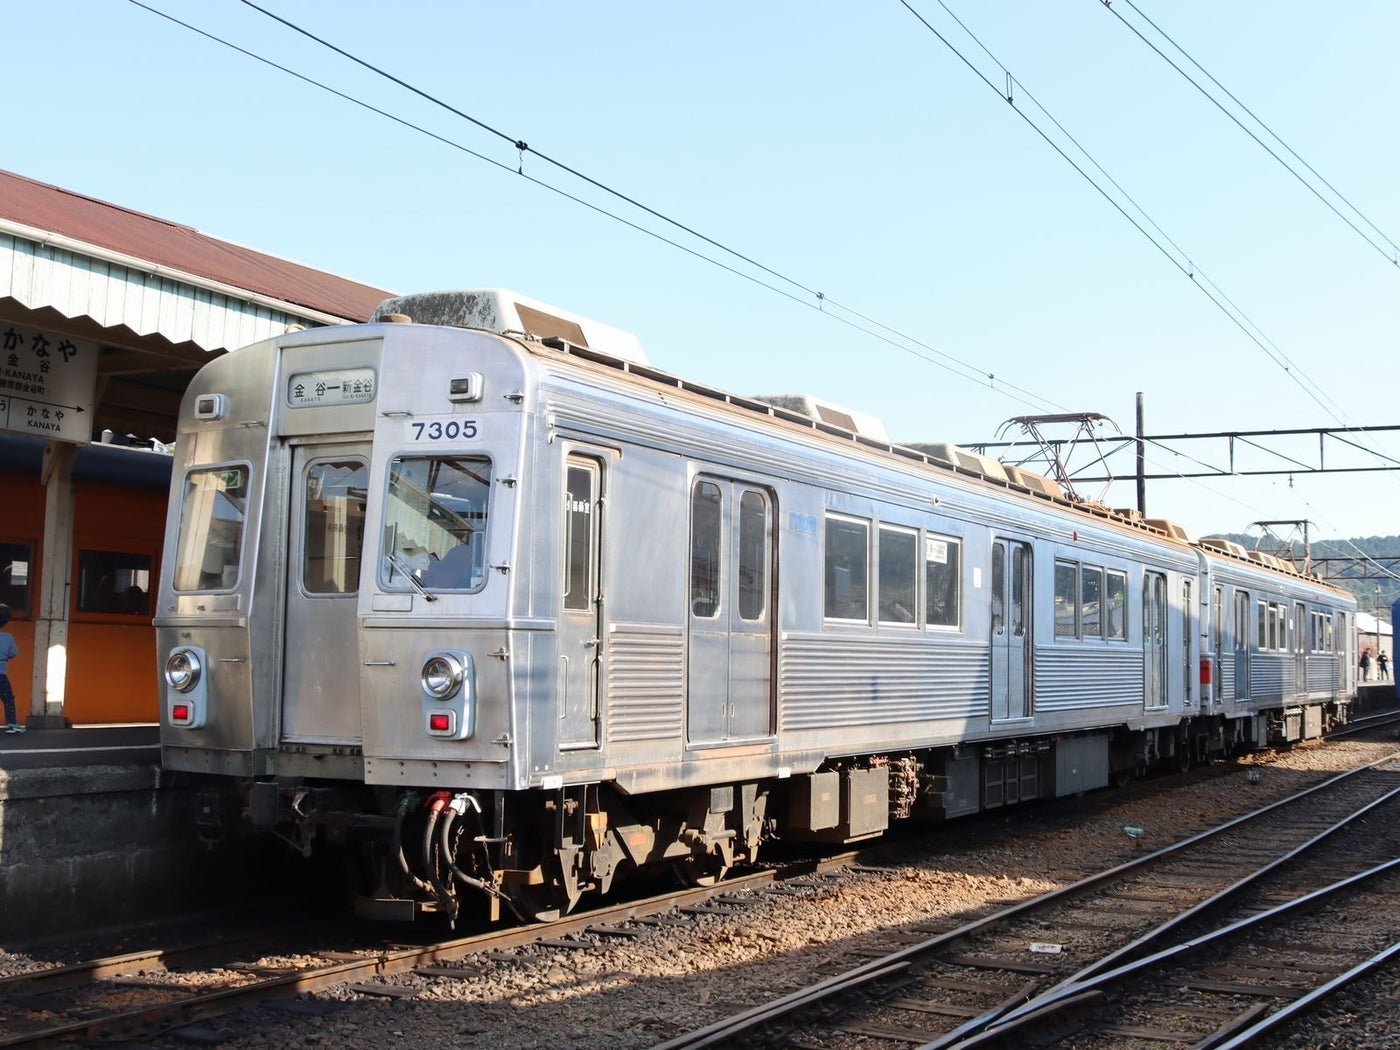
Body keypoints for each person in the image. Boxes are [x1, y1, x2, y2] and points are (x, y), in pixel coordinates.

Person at [0, 604, 22, 733]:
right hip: (1, 675)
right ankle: (11, 724)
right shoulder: (8, 638)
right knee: (8, 699)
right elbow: (14, 652)